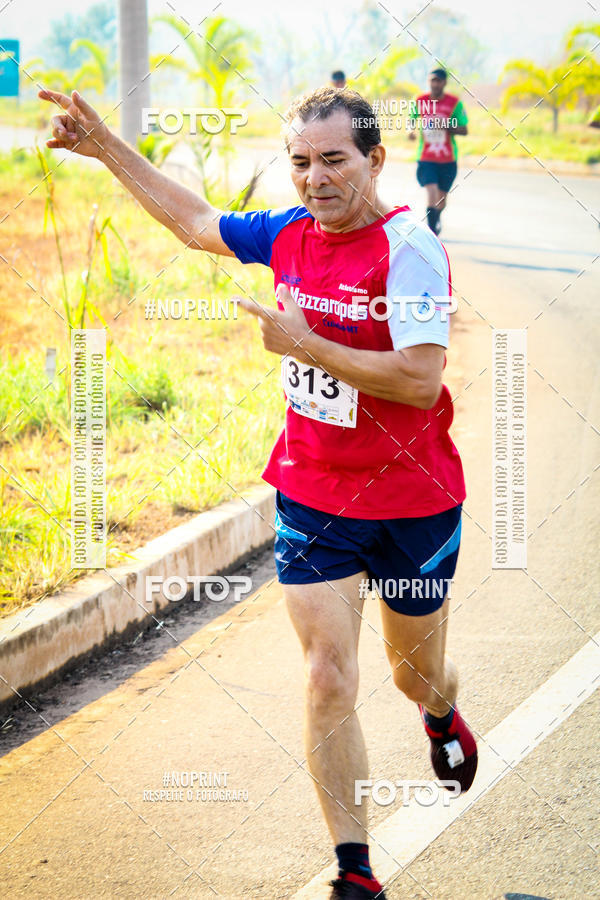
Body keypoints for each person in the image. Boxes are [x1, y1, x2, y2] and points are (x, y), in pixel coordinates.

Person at [40, 84, 477, 900]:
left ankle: (442, 713)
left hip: (413, 500)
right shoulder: (287, 235)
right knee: (327, 675)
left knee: (413, 674)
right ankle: (356, 873)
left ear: (376, 161)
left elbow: (420, 383)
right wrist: (103, 145)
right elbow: (196, 222)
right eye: (300, 162)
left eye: (334, 160)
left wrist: (304, 341)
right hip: (313, 491)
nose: (314, 178)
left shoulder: (410, 247)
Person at [410, 68, 468, 234]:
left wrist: (447, 126)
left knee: (441, 201)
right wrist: (411, 131)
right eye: (431, 80)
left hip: (448, 159)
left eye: (438, 80)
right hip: (426, 157)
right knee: (432, 193)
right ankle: (431, 233)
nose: (434, 84)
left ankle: (436, 218)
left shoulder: (454, 103)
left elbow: (464, 129)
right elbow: (411, 120)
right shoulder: (420, 101)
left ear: (444, 82)